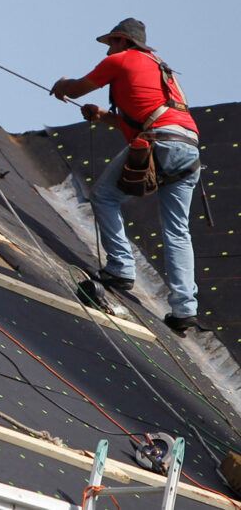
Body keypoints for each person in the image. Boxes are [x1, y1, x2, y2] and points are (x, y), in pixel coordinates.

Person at [50, 18, 201, 334]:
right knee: (177, 230)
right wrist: (103, 115)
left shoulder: (121, 60)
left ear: (121, 40)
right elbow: (142, 117)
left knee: (104, 195)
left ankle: (119, 268)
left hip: (160, 140)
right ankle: (185, 310)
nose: (108, 51)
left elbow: (78, 87)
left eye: (110, 44)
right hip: (187, 147)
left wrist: (63, 86)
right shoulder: (162, 70)